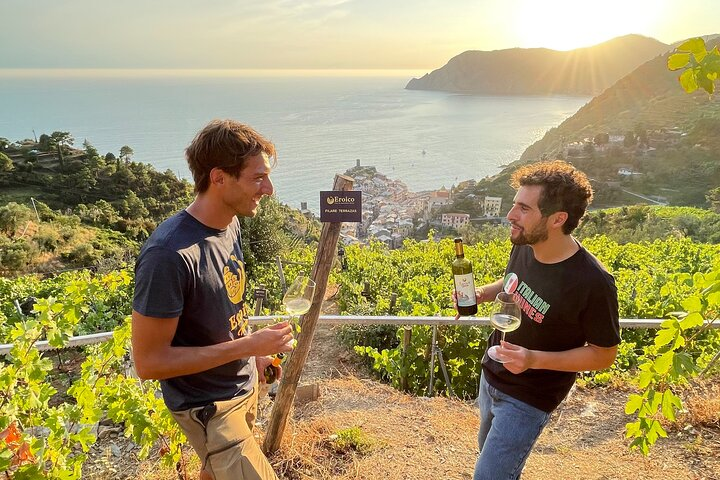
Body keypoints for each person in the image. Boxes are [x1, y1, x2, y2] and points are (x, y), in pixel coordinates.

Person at [131, 119, 294, 480]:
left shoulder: (230, 224)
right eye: (257, 178)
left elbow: (223, 308)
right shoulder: (168, 255)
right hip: (209, 407)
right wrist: (246, 347)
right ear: (219, 178)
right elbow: (148, 362)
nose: (269, 188)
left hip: (240, 385)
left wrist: (253, 353)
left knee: (216, 471)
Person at [457, 160, 620, 480]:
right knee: (492, 462)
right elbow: (511, 283)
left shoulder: (593, 282)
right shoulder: (526, 244)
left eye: (523, 208)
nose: (510, 215)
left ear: (557, 219)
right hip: (492, 375)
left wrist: (533, 359)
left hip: (530, 396)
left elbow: (604, 354)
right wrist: (481, 294)